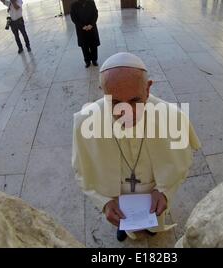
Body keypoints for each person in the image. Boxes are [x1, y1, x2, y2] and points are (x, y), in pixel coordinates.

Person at [72, 52, 201, 242]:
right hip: (117, 199)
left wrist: (164, 192)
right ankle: (124, 228)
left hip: (155, 196)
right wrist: (105, 203)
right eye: (115, 102)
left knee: (154, 224)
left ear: (147, 89)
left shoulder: (173, 117)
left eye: (135, 100)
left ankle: (151, 226)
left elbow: (183, 161)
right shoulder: (84, 121)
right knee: (121, 223)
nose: (127, 112)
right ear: (102, 91)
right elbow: (82, 171)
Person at [70, 0, 100, 68]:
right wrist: (82, 26)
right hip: (81, 29)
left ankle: (94, 60)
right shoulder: (74, 5)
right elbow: (73, 18)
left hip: (91, 27)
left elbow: (95, 14)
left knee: (93, 45)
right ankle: (87, 61)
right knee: (84, 46)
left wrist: (91, 25)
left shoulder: (91, 2)